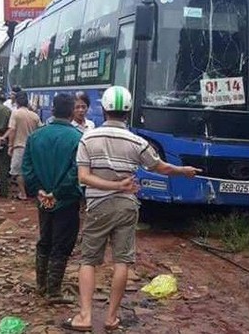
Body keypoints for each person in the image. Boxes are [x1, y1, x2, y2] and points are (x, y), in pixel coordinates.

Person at [63, 86, 201, 332]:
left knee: (88, 261)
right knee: (121, 261)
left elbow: (84, 177)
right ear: (127, 112)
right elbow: (160, 167)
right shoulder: (137, 142)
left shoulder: (88, 138)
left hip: (98, 206)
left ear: (103, 109)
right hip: (126, 206)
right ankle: (111, 318)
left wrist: (112, 185)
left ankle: (84, 316)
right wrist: (184, 171)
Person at [23, 93, 83, 304]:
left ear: (52, 110)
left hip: (42, 201)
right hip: (66, 201)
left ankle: (41, 285)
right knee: (62, 244)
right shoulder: (78, 138)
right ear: (71, 112)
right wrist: (56, 194)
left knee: (45, 240)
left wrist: (40, 191)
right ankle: (54, 291)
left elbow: (27, 169)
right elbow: (76, 172)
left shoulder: (35, 137)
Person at [8, 91, 41, 200]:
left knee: (18, 171)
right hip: (33, 148)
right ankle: (33, 192)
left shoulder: (15, 114)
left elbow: (12, 130)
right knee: (31, 170)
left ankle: (22, 193)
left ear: (17, 102)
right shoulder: (34, 115)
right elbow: (40, 130)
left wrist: (10, 145)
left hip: (19, 146)